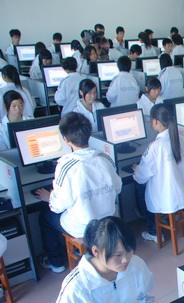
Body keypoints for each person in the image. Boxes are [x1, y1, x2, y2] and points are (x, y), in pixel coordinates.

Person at [35, 112, 122, 272]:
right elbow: (118, 188)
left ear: (65, 140)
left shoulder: (66, 165)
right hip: (107, 219)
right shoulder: (104, 157)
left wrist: (49, 197)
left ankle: (57, 262)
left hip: (84, 227)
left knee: (45, 216)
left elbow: (58, 206)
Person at [133, 104, 184, 242]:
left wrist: (136, 169)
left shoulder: (156, 146)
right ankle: (171, 216)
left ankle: (154, 231)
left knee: (139, 184)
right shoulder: (181, 138)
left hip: (168, 199)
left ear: (156, 122)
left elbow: (141, 176)